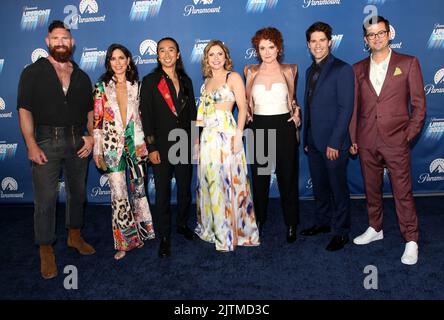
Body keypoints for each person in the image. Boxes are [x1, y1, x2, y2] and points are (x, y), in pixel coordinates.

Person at [17, 20, 95, 279]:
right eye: (56, 38)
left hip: (77, 141)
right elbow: (24, 110)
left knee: (78, 192)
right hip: (45, 141)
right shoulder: (32, 72)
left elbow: (89, 112)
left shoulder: (82, 76)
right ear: (48, 42)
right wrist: (30, 144)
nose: (61, 42)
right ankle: (46, 249)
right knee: (46, 198)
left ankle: (74, 235)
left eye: (65, 38)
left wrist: (92, 137)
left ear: (72, 43)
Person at [350, 16, 426, 265]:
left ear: (389, 34)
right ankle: (375, 227)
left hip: (396, 140)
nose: (376, 38)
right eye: (371, 35)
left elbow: (419, 105)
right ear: (365, 39)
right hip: (367, 139)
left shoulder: (408, 63)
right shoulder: (358, 68)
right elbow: (354, 108)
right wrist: (353, 137)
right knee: (371, 188)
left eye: (380, 33)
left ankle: (411, 240)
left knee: (402, 192)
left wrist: (407, 135)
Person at [195, 40, 259, 251]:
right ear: (207, 58)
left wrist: (238, 136)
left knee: (229, 182)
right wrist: (198, 137)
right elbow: (202, 114)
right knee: (210, 182)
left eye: (219, 54)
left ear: (225, 56)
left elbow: (242, 108)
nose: (215, 58)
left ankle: (233, 232)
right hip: (208, 137)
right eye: (211, 54)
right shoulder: (206, 81)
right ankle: (214, 229)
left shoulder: (233, 77)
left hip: (227, 133)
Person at [92, 43, 155, 260]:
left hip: (135, 145)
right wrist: (97, 150)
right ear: (108, 62)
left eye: (122, 58)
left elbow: (144, 117)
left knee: (138, 191)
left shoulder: (138, 86)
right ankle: (125, 242)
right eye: (113, 58)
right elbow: (98, 121)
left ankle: (142, 234)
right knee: (118, 194)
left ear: (128, 61)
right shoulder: (101, 87)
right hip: (111, 147)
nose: (118, 63)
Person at [139, 37, 197, 258]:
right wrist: (151, 147)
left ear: (178, 54)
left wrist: (195, 141)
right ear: (157, 55)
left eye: (171, 50)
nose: (166, 54)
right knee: (162, 193)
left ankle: (182, 224)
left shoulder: (186, 80)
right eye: (162, 50)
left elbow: (192, 113)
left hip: (183, 142)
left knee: (184, 189)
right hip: (161, 146)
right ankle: (164, 235)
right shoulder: (150, 81)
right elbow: (147, 117)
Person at [300, 22, 354, 251]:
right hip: (313, 141)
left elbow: (346, 108)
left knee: (338, 189)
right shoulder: (309, 71)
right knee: (320, 188)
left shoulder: (343, 69)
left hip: (333, 143)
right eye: (314, 41)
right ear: (308, 45)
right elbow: (310, 106)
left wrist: (335, 142)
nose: (318, 45)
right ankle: (322, 223)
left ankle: (341, 232)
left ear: (330, 42)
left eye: (322, 40)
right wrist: (306, 139)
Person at [244, 27, 300, 243]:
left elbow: (293, 100)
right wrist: (248, 116)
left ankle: (292, 223)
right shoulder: (250, 71)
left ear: (279, 48)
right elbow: (246, 101)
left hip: (284, 127)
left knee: (288, 178)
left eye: (271, 47)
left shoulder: (290, 70)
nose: (267, 52)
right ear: (257, 50)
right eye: (262, 48)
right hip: (258, 126)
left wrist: (297, 115)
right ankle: (259, 220)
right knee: (259, 179)